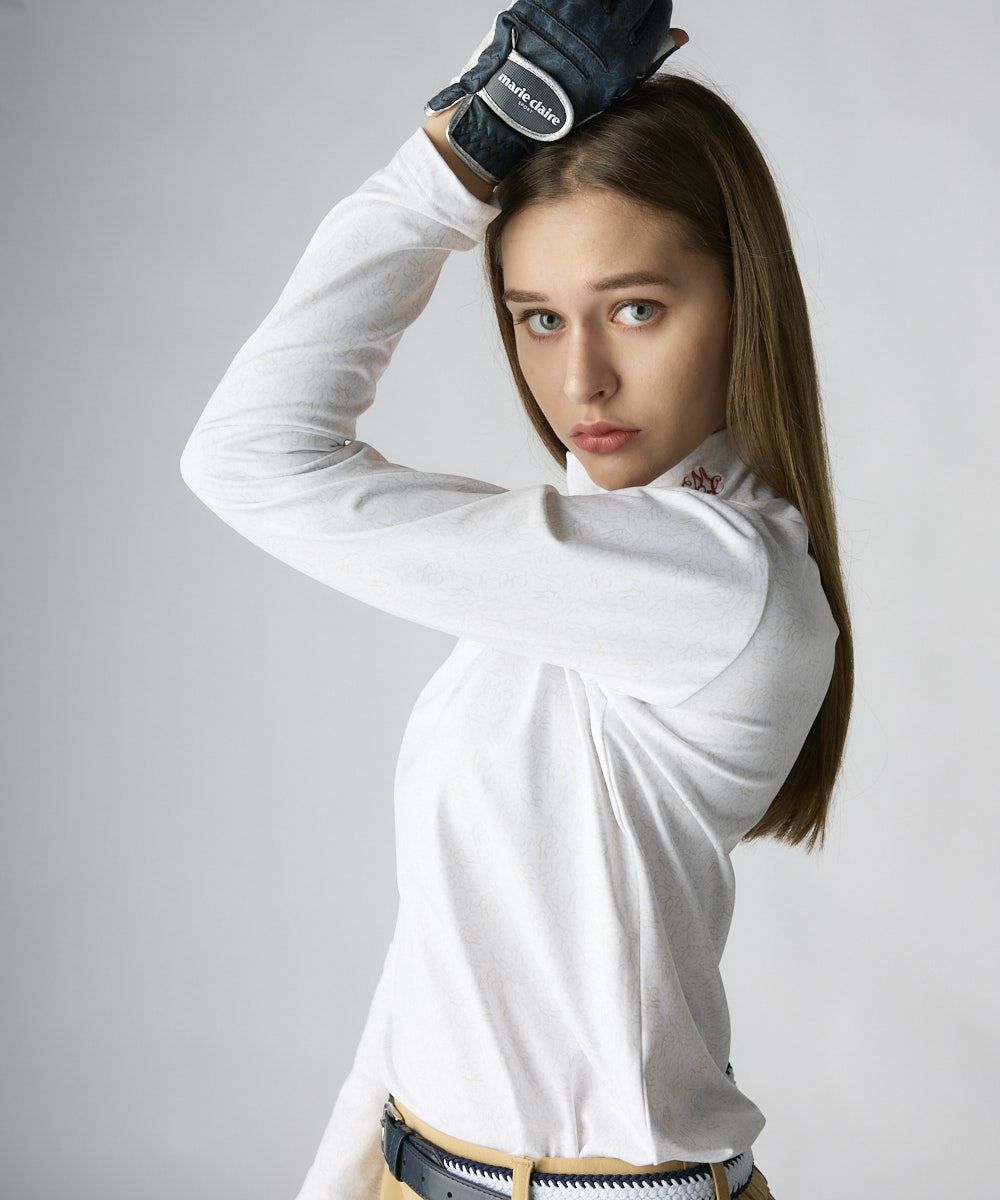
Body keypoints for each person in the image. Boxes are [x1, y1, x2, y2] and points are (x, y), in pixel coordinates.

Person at [179, 4, 853, 1198]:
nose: (579, 378)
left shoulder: (716, 582)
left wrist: (463, 147)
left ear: (743, 297)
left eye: (635, 308)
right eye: (539, 317)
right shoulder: (578, 577)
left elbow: (248, 457)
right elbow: (450, 946)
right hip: (419, 1165)